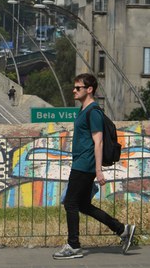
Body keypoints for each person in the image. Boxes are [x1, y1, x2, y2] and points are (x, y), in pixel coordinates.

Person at [53, 73, 135, 260]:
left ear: (89, 90)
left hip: (85, 164)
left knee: (71, 203)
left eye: (78, 87)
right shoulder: (84, 110)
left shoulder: (93, 112)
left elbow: (98, 142)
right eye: (74, 87)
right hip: (81, 162)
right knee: (83, 205)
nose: (74, 90)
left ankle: (73, 246)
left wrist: (99, 170)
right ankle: (122, 230)